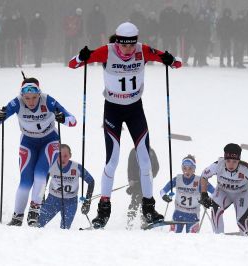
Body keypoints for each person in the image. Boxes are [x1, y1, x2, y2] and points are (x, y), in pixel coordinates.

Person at [69, 22, 182, 229]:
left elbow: (176, 64)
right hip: (113, 110)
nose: (128, 50)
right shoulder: (107, 51)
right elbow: (72, 64)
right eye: (124, 45)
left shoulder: (143, 50)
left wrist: (170, 59)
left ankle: (148, 209)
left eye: (132, 45)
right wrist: (81, 56)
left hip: (135, 110)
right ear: (117, 42)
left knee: (145, 161)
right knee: (112, 160)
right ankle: (103, 211)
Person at [0, 76, 77, 227]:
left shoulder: (48, 100)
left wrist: (62, 118)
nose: (30, 102)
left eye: (34, 97)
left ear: (39, 94)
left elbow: (73, 120)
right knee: (25, 181)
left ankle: (34, 212)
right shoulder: (17, 102)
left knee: (40, 175)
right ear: (22, 95)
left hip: (49, 141)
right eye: (27, 98)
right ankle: (17, 217)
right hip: (28, 143)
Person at [199, 143, 248, 236]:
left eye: (234, 161)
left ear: (239, 160)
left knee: (241, 220)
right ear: (225, 158)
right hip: (223, 191)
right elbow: (204, 175)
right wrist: (204, 194)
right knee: (215, 209)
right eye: (228, 161)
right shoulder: (218, 165)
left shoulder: (246, 169)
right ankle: (218, 237)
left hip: (241, 194)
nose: (231, 164)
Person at [38, 144, 94, 229]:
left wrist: (87, 202)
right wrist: (40, 198)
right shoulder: (51, 165)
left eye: (65, 156)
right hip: (53, 199)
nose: (62, 159)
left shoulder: (77, 167)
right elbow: (43, 182)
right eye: (59, 156)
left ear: (70, 156)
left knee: (64, 229)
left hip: (70, 202)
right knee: (38, 224)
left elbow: (91, 181)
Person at [160, 155, 214, 233]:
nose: (187, 171)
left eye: (190, 168)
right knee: (172, 239)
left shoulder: (200, 181)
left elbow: (215, 192)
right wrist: (164, 196)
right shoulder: (177, 179)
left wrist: (207, 199)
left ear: (194, 169)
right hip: (178, 214)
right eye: (184, 168)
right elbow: (162, 191)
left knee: (191, 241)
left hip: (193, 216)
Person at [126, 147, 159, 230]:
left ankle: (145, 222)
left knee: (146, 202)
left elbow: (156, 167)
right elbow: (130, 167)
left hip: (147, 182)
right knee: (135, 201)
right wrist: (131, 179)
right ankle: (130, 222)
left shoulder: (151, 151)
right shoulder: (133, 151)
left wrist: (150, 176)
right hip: (136, 182)